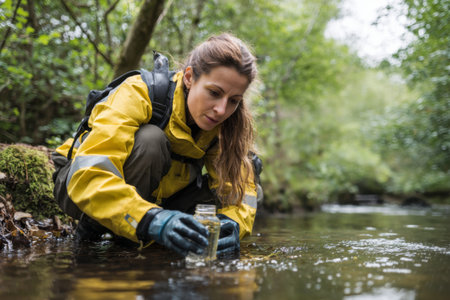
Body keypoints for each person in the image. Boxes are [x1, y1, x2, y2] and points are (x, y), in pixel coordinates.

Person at [52, 33, 261, 257]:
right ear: (189, 78)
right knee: (151, 139)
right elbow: (89, 174)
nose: (221, 110)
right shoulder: (138, 92)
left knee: (243, 179)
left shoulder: (226, 126)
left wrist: (232, 225)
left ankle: (150, 235)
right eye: (214, 93)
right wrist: (150, 219)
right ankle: (94, 225)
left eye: (233, 101)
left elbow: (243, 196)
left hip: (161, 197)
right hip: (77, 184)